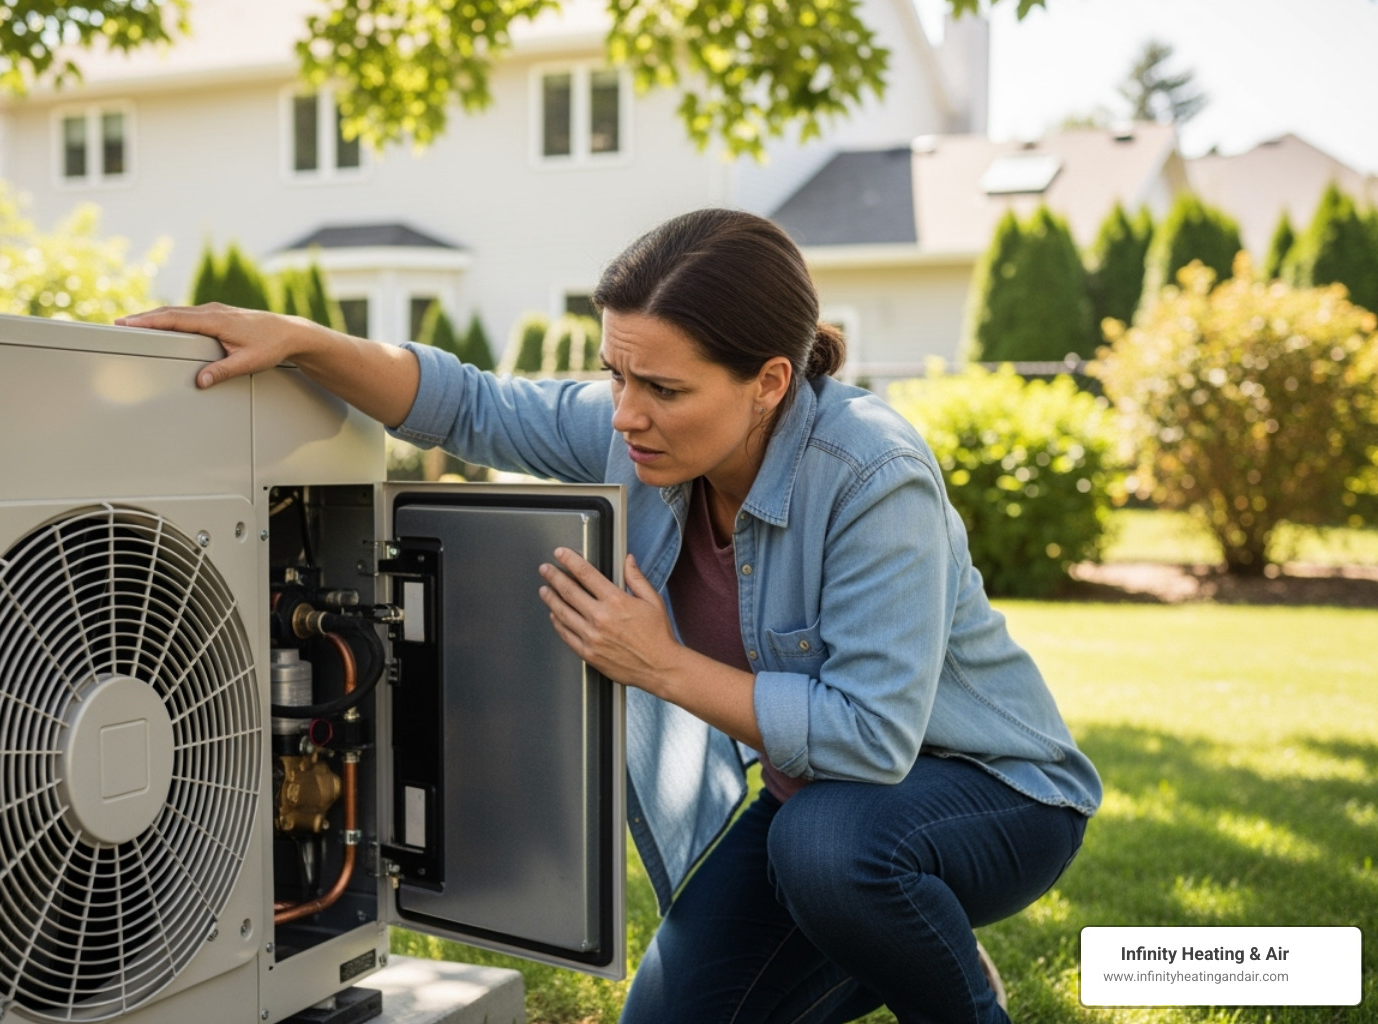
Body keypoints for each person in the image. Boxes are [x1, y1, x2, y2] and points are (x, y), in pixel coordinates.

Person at [118, 208, 1101, 1024]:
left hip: (992, 792)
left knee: (831, 853)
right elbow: (469, 407)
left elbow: (874, 738)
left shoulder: (872, 474)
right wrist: (303, 342)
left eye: (662, 388)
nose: (625, 413)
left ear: (769, 382)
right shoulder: (640, 433)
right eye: (616, 374)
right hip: (819, 802)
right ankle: (883, 933)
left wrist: (664, 666)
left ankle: (957, 992)